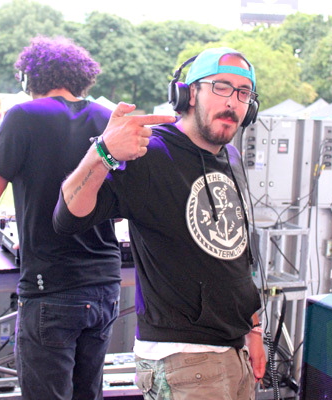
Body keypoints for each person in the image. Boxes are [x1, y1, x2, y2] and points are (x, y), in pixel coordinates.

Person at [0, 35, 148, 400]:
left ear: (29, 77)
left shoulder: (22, 116)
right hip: (104, 286)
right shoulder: (107, 119)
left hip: (50, 288)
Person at [53, 47, 266, 399]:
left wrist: (254, 330)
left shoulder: (230, 156)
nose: (233, 102)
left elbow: (237, 254)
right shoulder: (150, 153)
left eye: (244, 93)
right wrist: (103, 152)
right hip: (184, 360)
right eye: (221, 87)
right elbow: (68, 215)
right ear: (189, 93)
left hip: (235, 351)